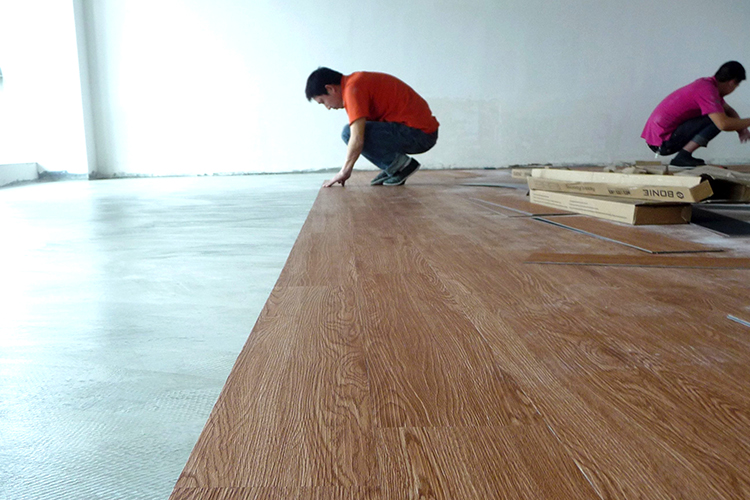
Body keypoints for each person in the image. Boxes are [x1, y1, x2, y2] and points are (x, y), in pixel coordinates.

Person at [305, 67, 439, 187]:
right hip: (419, 132)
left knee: (348, 133)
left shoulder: (352, 89)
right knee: (355, 131)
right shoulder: (355, 82)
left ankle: (402, 166)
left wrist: (344, 171)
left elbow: (357, 138)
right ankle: (394, 167)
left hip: (421, 135)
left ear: (330, 89)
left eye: (323, 102)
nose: (328, 107)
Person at [642, 61, 750, 167]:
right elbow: (723, 124)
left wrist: (742, 129)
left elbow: (729, 110)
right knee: (716, 119)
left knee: (717, 114)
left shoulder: (707, 85)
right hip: (662, 143)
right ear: (731, 83)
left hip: (659, 138)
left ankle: (683, 156)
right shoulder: (707, 91)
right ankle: (683, 156)